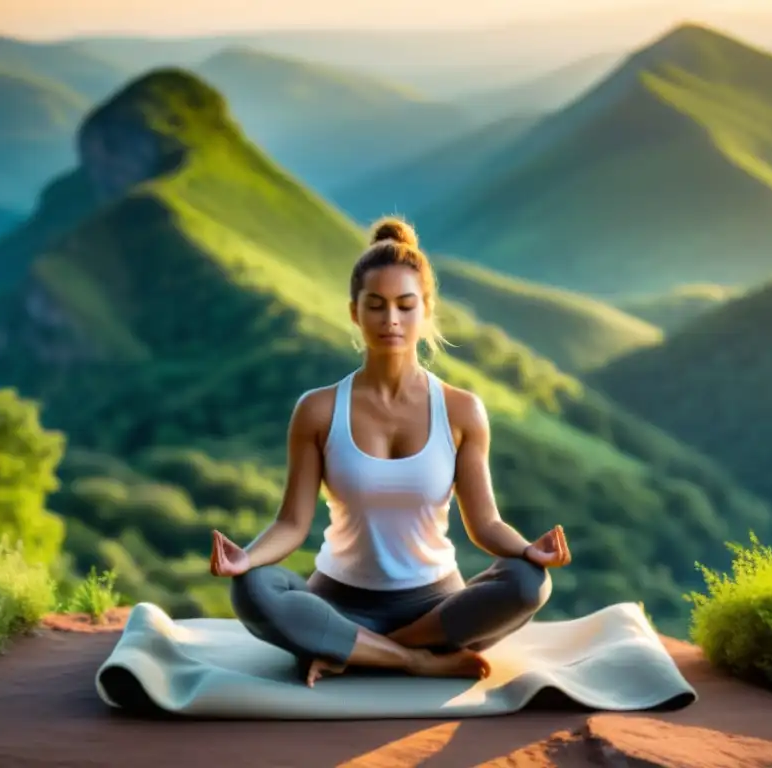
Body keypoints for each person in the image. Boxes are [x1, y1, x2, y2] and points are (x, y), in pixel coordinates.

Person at [209, 216, 572, 687]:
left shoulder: (462, 410)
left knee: (529, 583)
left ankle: (359, 650)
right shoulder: (318, 410)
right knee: (254, 588)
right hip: (337, 602)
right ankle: (415, 660)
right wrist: (248, 559)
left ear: (426, 310)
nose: (391, 320)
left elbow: (484, 524)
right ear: (354, 312)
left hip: (434, 606)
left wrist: (528, 549)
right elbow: (291, 523)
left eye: (405, 305)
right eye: (376, 306)